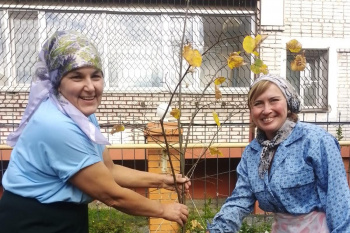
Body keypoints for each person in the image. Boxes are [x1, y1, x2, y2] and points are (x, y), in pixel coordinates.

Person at [0, 30, 190, 233]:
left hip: (65, 214)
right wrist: (163, 209)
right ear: (57, 82)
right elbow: (112, 195)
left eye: (96, 76)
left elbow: (110, 170)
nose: (90, 87)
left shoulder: (80, 112)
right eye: (77, 77)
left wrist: (163, 180)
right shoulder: (56, 125)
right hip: (34, 221)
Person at [206, 74, 350, 233]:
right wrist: (218, 229)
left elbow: (339, 202)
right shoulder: (253, 153)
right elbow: (239, 201)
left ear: (289, 104)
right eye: (258, 103)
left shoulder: (316, 141)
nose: (266, 110)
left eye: (274, 100)